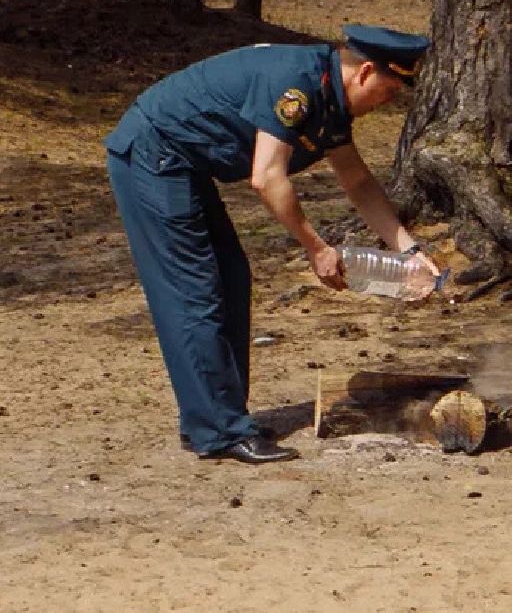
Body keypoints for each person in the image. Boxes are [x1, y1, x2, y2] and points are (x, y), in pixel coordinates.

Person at [104, 24, 433, 465]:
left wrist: (409, 250)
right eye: (390, 91)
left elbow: (357, 182)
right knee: (195, 291)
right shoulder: (298, 88)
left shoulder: (331, 98)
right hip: (152, 154)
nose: (389, 103)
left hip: (184, 164)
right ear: (365, 72)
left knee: (231, 280)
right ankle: (219, 430)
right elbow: (266, 177)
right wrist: (317, 248)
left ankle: (218, 416)